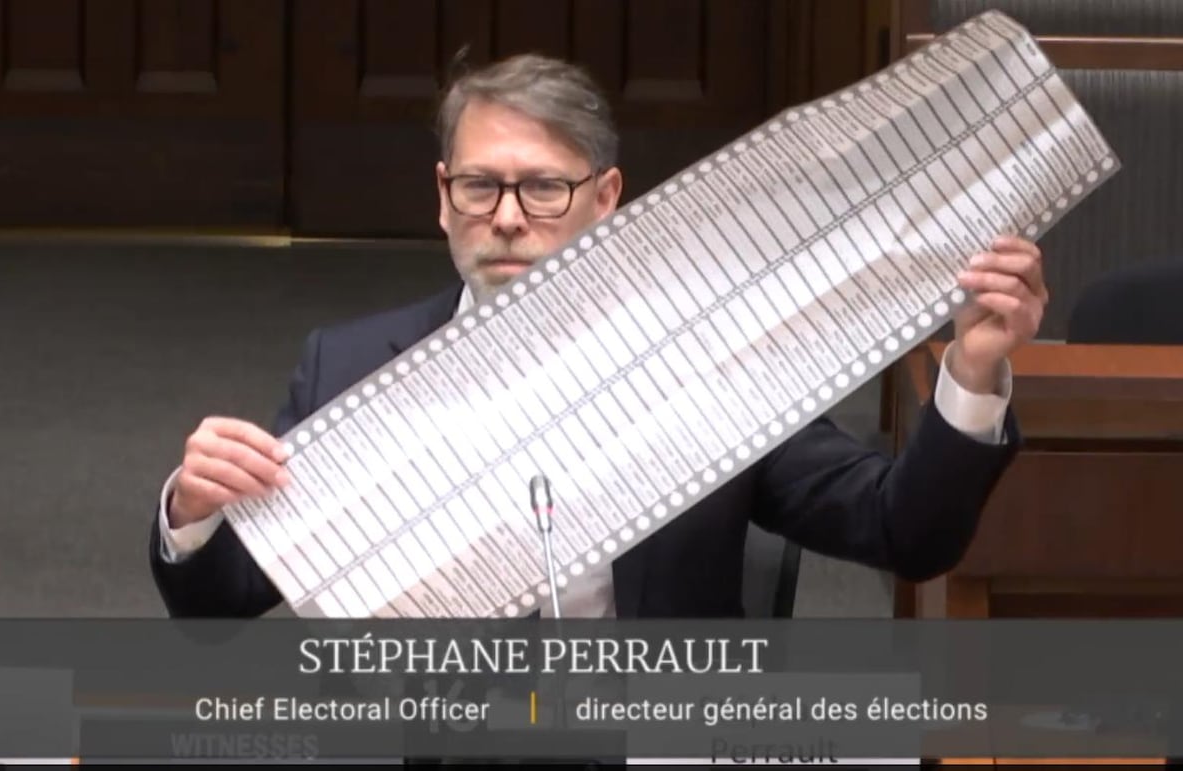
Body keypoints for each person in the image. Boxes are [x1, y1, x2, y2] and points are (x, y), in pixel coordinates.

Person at [149, 53, 1045, 621]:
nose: (505, 219)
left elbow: (905, 531)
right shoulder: (342, 367)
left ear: (607, 197)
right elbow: (221, 599)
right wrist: (192, 513)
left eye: (542, 189)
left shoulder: (705, 366)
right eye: (477, 187)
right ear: (440, 195)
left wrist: (970, 373)